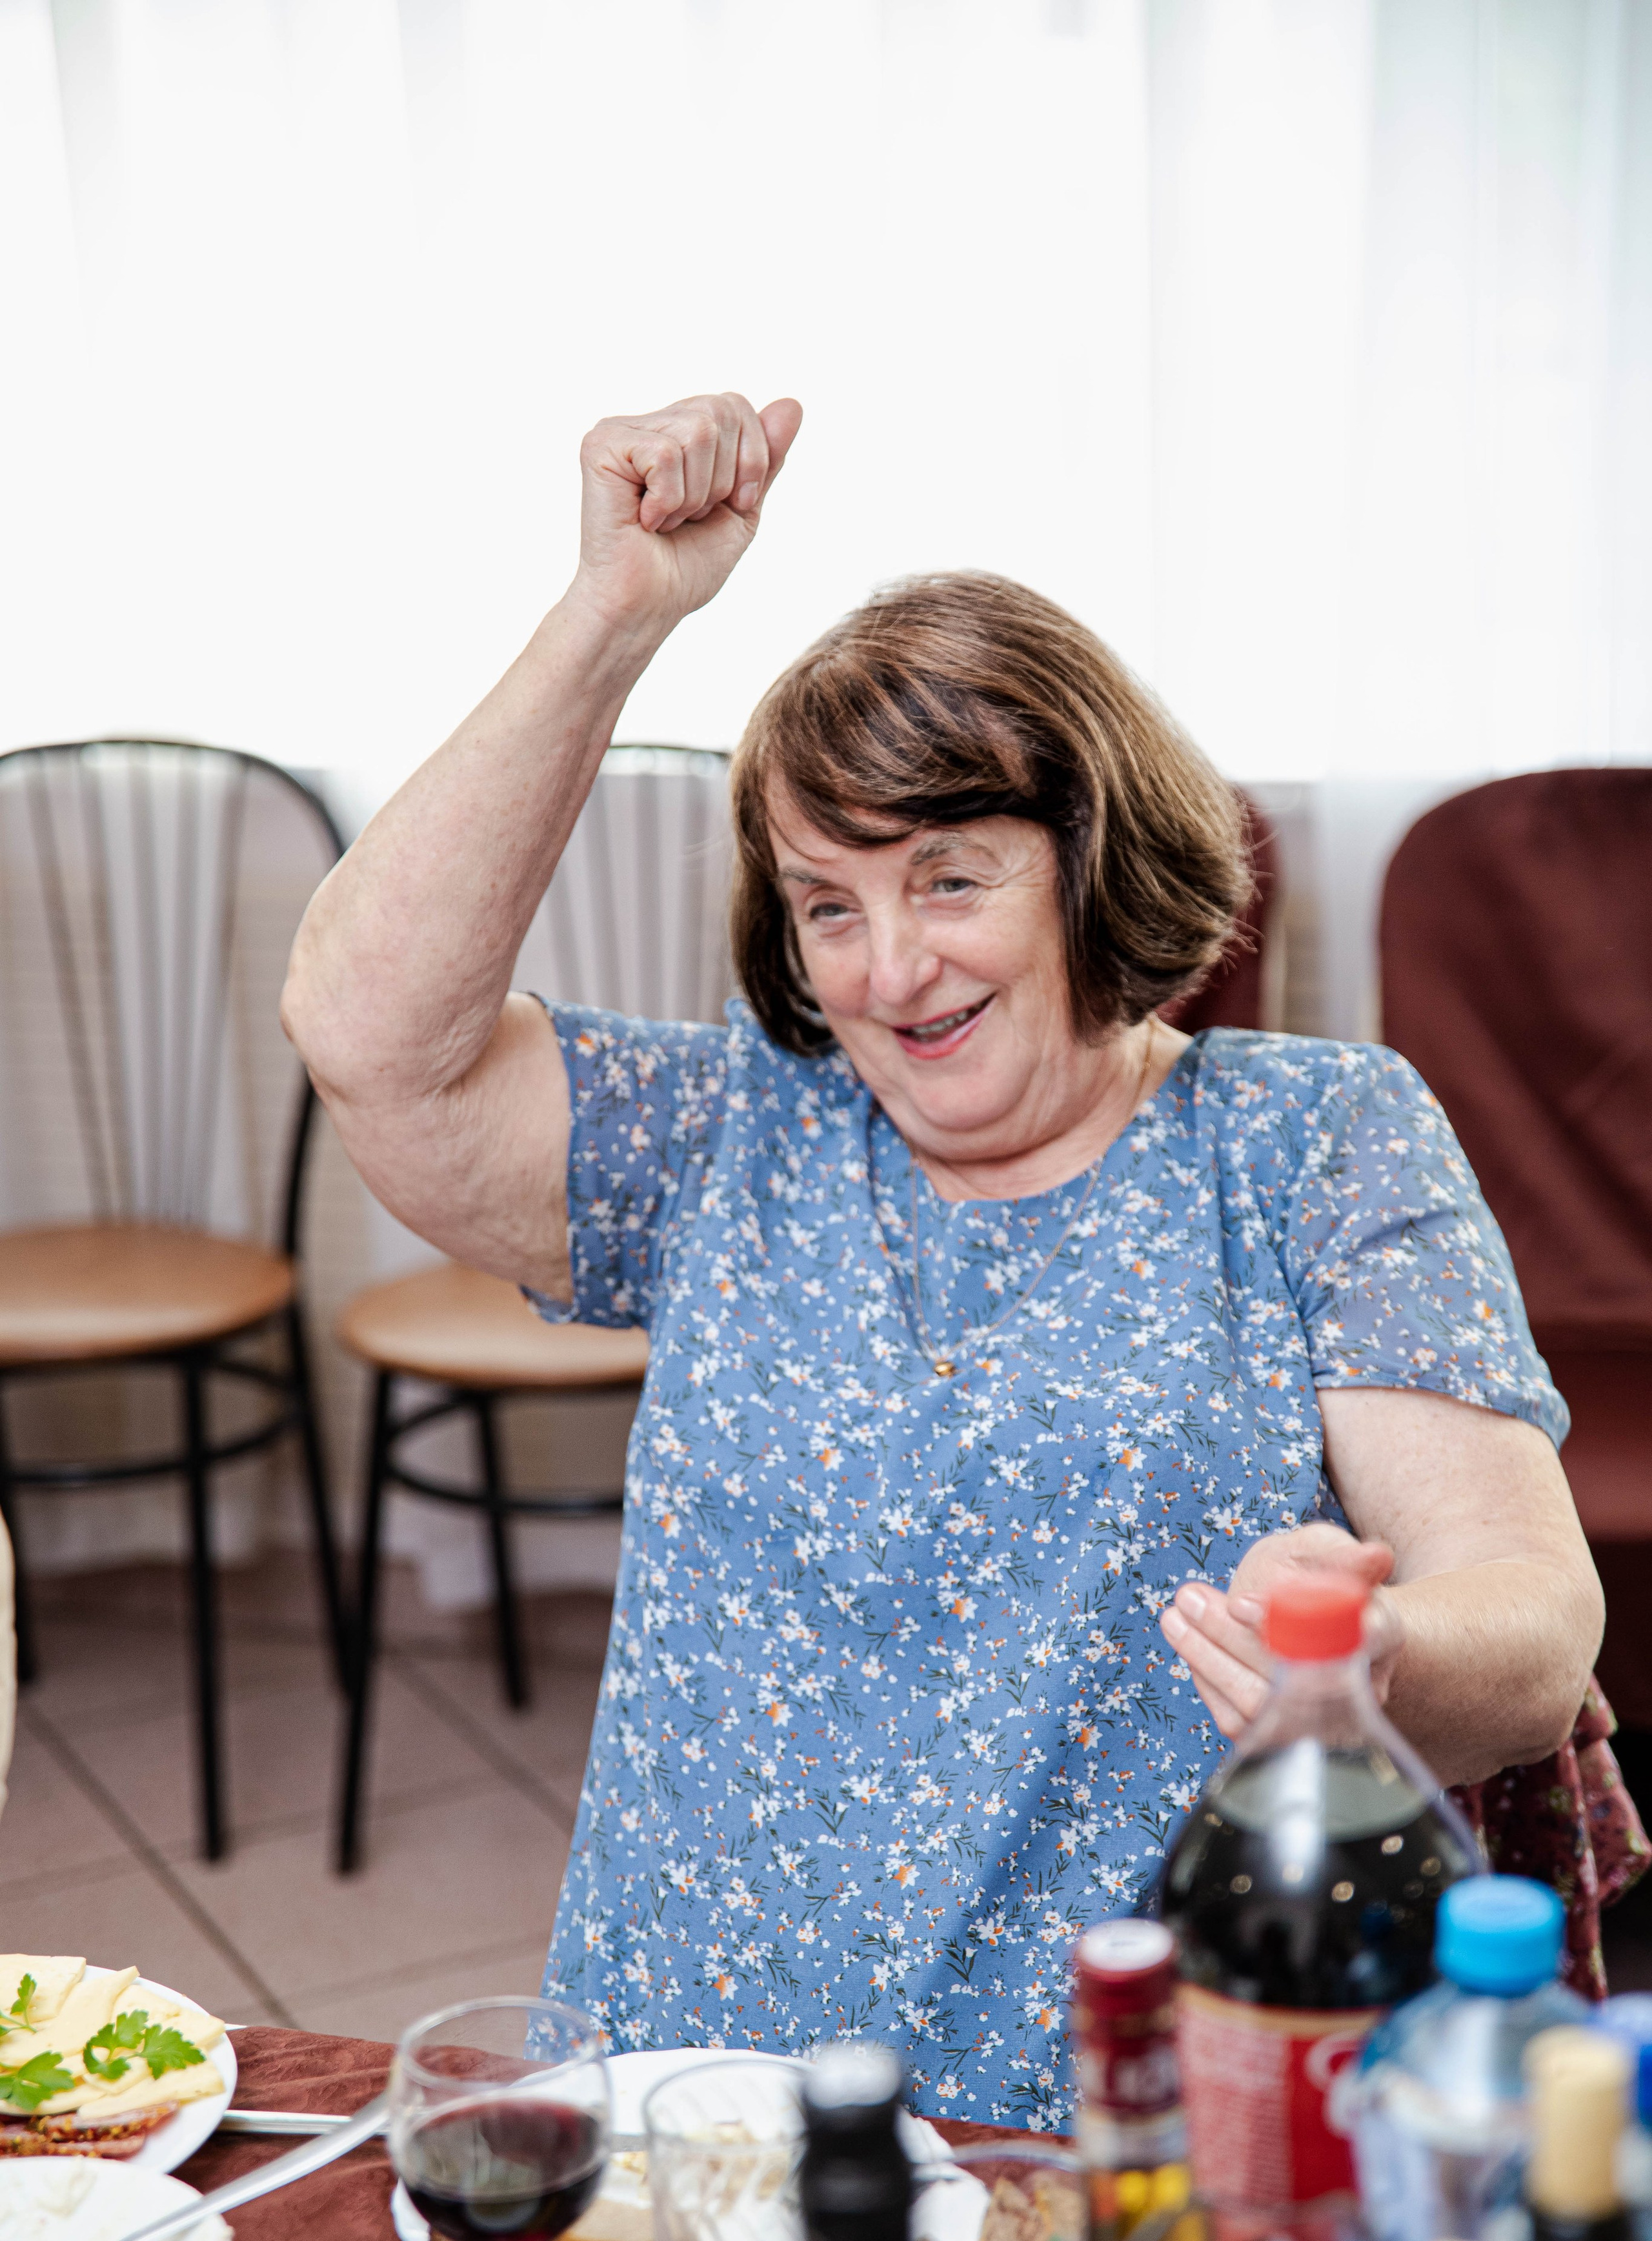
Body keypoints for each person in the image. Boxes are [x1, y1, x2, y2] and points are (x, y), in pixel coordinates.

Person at [283, 393, 1604, 2124]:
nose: (888, 969)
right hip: (696, 2101)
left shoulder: (1311, 1138)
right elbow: (367, 1034)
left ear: (1088, 862)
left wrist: (1384, 1665)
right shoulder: (726, 1137)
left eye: (950, 878)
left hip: (1117, 2122)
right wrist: (613, 615)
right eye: (829, 901)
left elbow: (1536, 1623)